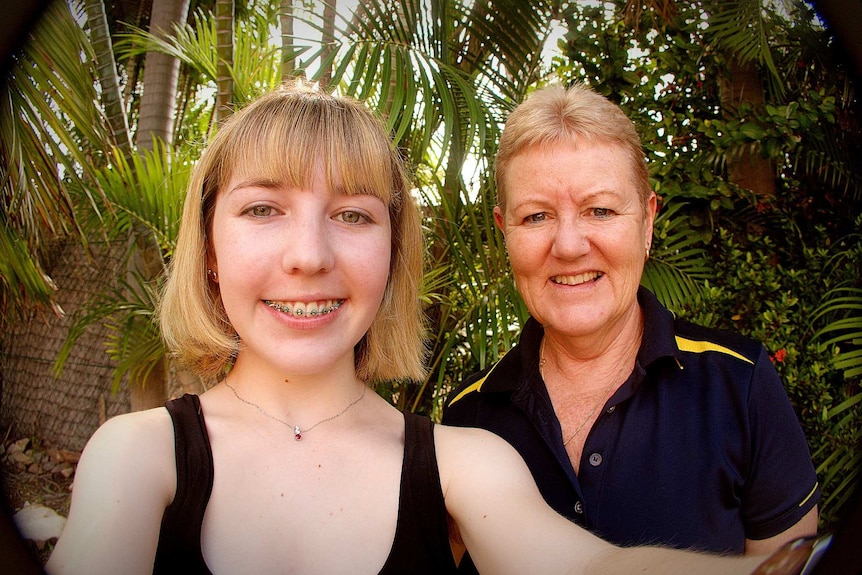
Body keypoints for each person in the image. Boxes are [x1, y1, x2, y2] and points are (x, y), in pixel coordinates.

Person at [45, 83, 770, 575]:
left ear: (393, 254)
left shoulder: (464, 462)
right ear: (208, 248)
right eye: (263, 208)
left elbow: (595, 567)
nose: (309, 256)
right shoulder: (136, 461)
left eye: (354, 215)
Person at [443, 83, 820, 570]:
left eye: (599, 209)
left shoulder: (738, 383)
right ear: (504, 231)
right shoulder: (467, 417)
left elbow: (790, 564)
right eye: (536, 216)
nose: (569, 245)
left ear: (646, 221)